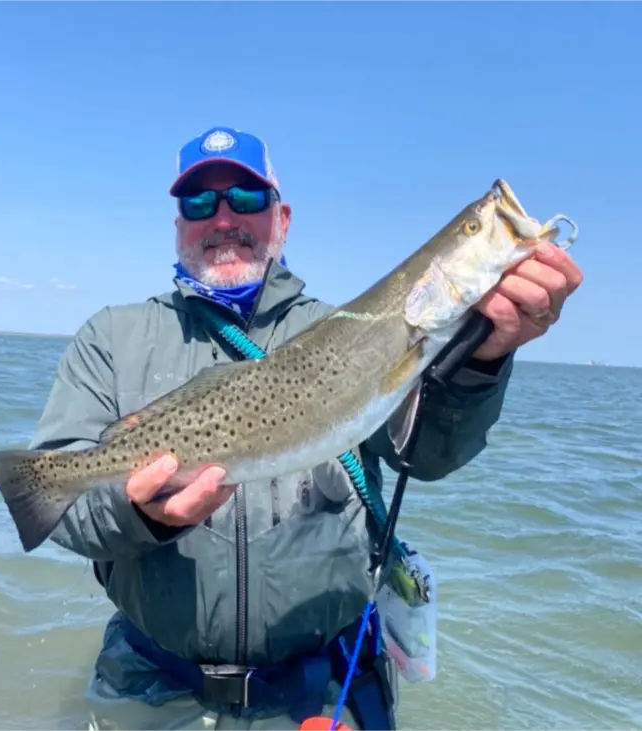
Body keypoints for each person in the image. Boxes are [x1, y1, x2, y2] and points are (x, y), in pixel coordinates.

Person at [30, 126, 584, 730]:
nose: (224, 218)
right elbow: (60, 509)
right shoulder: (111, 339)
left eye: (246, 199)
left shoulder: (348, 327)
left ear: (282, 219)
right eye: (200, 202)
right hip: (151, 688)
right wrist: (140, 515)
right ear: (178, 224)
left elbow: (425, 456)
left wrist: (481, 360)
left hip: (319, 695)